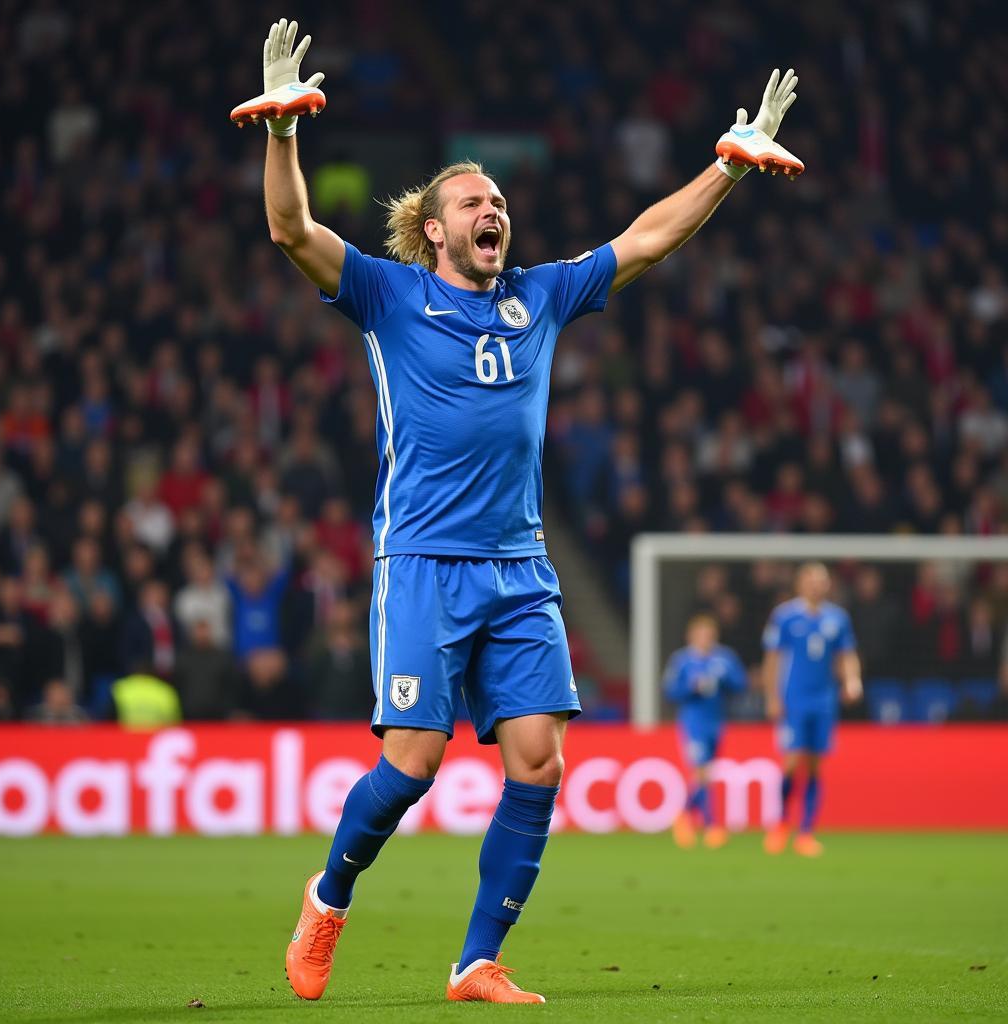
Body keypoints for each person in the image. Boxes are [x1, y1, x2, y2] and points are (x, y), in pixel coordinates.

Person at [237, 16, 802, 1004]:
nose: (491, 208)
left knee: (538, 761)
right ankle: (327, 899)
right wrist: (284, 134)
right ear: (434, 231)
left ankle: (476, 960)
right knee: (410, 765)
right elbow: (291, 230)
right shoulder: (387, 295)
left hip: (520, 565)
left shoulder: (540, 295)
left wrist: (731, 167)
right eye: (470, 200)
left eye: (497, 198)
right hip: (423, 560)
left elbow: (647, 239)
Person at [761, 563, 862, 857]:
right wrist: (772, 695)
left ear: (828, 585)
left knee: (816, 764)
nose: (817, 585)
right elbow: (772, 658)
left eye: (822, 580)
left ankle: (806, 832)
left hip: (824, 699)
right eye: (811, 580)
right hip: (794, 698)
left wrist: (852, 680)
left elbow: (847, 655)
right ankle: (780, 823)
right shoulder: (785, 616)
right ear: (799, 583)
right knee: (793, 761)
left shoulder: (837, 618)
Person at [663, 614, 746, 849]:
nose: (705, 639)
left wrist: (724, 679)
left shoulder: (724, 659)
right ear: (691, 636)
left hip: (716, 722)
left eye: (709, 635)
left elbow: (740, 684)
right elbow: (670, 691)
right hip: (693, 722)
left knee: (705, 773)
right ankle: (711, 825)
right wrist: (691, 688)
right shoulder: (682, 661)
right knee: (701, 773)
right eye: (700, 634)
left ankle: (684, 815)